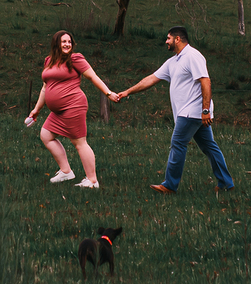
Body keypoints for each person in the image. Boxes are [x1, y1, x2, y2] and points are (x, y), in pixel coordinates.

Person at [117, 26, 234, 194]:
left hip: (192, 112)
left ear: (177, 39)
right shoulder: (173, 62)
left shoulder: (193, 56)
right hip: (189, 113)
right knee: (209, 146)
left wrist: (205, 110)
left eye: (168, 38)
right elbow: (151, 79)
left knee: (178, 143)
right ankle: (225, 183)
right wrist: (128, 91)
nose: (166, 41)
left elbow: (205, 82)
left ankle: (170, 185)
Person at [25, 30, 120, 189]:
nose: (67, 44)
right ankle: (66, 171)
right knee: (46, 135)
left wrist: (108, 93)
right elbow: (44, 88)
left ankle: (92, 180)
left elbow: (92, 76)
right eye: (64, 42)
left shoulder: (75, 59)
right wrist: (36, 110)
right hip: (58, 111)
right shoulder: (48, 61)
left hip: (73, 105)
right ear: (56, 44)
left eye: (69, 42)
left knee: (79, 143)